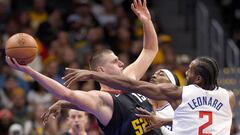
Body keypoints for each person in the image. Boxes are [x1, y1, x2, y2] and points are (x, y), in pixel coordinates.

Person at [6, 0, 159, 134]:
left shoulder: (128, 78)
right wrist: (29, 70)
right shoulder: (101, 100)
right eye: (115, 61)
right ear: (100, 70)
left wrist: (146, 21)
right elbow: (67, 94)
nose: (122, 63)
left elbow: (150, 50)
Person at [61, 56, 235, 135]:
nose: (186, 72)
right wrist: (165, 121)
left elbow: (132, 84)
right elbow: (204, 121)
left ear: (198, 78)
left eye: (190, 70)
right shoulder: (229, 96)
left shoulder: (180, 94)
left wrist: (92, 75)